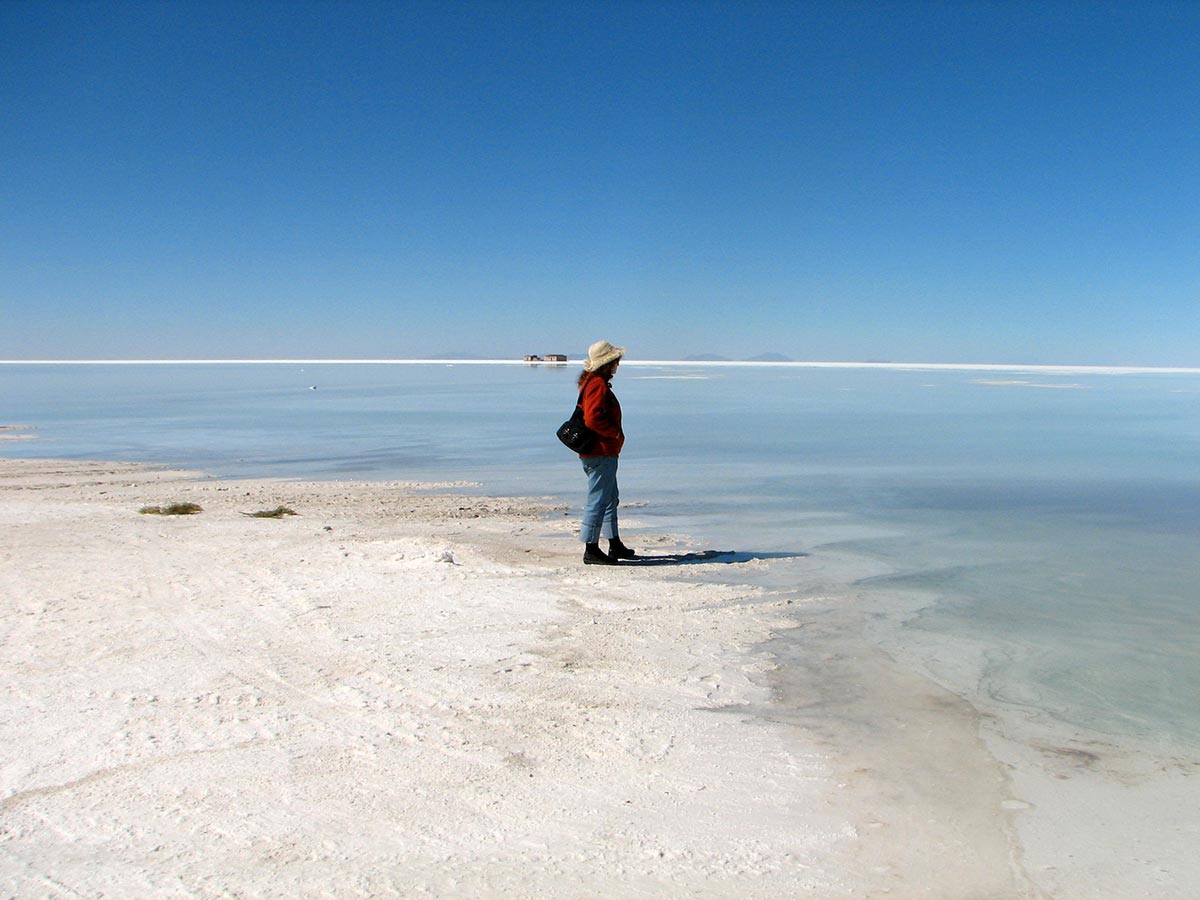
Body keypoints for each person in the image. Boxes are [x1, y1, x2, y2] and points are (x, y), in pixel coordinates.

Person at [576, 340, 636, 565]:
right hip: (599, 452)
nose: (618, 365)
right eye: (615, 361)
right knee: (598, 499)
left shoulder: (595, 383)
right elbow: (593, 419)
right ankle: (590, 548)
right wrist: (615, 434)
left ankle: (614, 543)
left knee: (610, 498)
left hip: (603, 451)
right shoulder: (596, 385)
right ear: (607, 363)